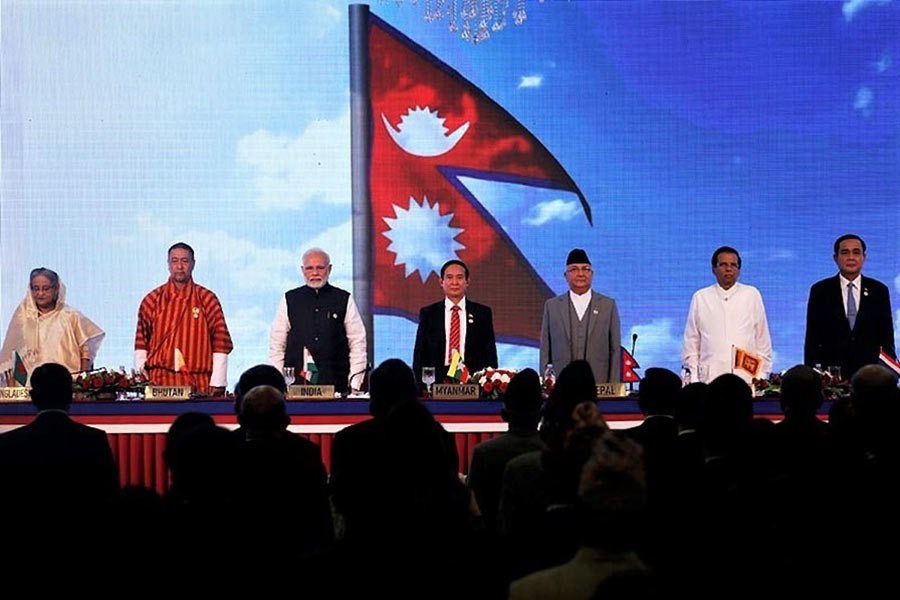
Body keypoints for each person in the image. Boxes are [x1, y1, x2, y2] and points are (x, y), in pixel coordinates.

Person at [0, 362, 118, 509]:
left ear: (33, 397)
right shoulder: (94, 440)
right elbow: (109, 498)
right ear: (70, 396)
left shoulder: (8, 443)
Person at [134, 242, 233, 396]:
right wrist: (141, 380)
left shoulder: (207, 299)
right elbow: (141, 343)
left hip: (198, 383)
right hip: (159, 384)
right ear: (168, 264)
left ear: (193, 264)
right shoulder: (152, 300)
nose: (179, 266)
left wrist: (218, 382)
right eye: (174, 261)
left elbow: (220, 341)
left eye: (185, 261)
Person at [268, 247, 367, 394]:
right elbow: (277, 344)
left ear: (330, 269)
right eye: (309, 268)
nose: (315, 273)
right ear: (302, 270)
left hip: (336, 384)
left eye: (320, 268)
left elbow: (357, 342)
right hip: (296, 386)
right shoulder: (289, 299)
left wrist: (355, 383)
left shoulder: (343, 298)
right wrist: (277, 383)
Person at [804, 234, 895, 380]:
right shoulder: (820, 290)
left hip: (871, 376)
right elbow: (812, 338)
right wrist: (812, 375)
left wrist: (888, 374)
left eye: (856, 252)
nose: (851, 257)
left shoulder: (879, 290)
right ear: (835, 258)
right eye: (845, 253)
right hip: (833, 376)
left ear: (864, 258)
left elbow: (887, 337)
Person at [681, 246, 772, 384]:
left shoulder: (751, 294)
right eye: (723, 264)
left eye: (733, 265)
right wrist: (694, 380)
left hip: (746, 378)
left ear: (738, 270)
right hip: (709, 380)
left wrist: (761, 376)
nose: (728, 269)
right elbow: (691, 342)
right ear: (714, 269)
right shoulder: (701, 297)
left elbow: (762, 340)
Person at [0, 268, 104, 381]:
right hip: (32, 387)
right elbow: (12, 357)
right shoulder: (23, 318)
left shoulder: (71, 316)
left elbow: (85, 352)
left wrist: (82, 381)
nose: (40, 293)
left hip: (67, 384)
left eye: (45, 289)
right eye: (36, 289)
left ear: (56, 288)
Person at [412, 259, 498, 389]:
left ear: (467, 282)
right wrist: (420, 385)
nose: (454, 282)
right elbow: (420, 353)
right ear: (441, 282)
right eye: (449, 277)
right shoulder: (429, 313)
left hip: (473, 382)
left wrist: (489, 382)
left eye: (459, 277)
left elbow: (490, 353)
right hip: (436, 382)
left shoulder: (482, 313)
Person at [540, 248, 621, 383]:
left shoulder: (608, 305)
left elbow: (615, 350)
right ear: (565, 275)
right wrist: (546, 385)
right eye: (574, 269)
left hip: (599, 385)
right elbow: (545, 350)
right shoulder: (552, 306)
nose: (581, 274)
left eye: (585, 269)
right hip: (561, 385)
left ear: (592, 274)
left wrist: (613, 387)